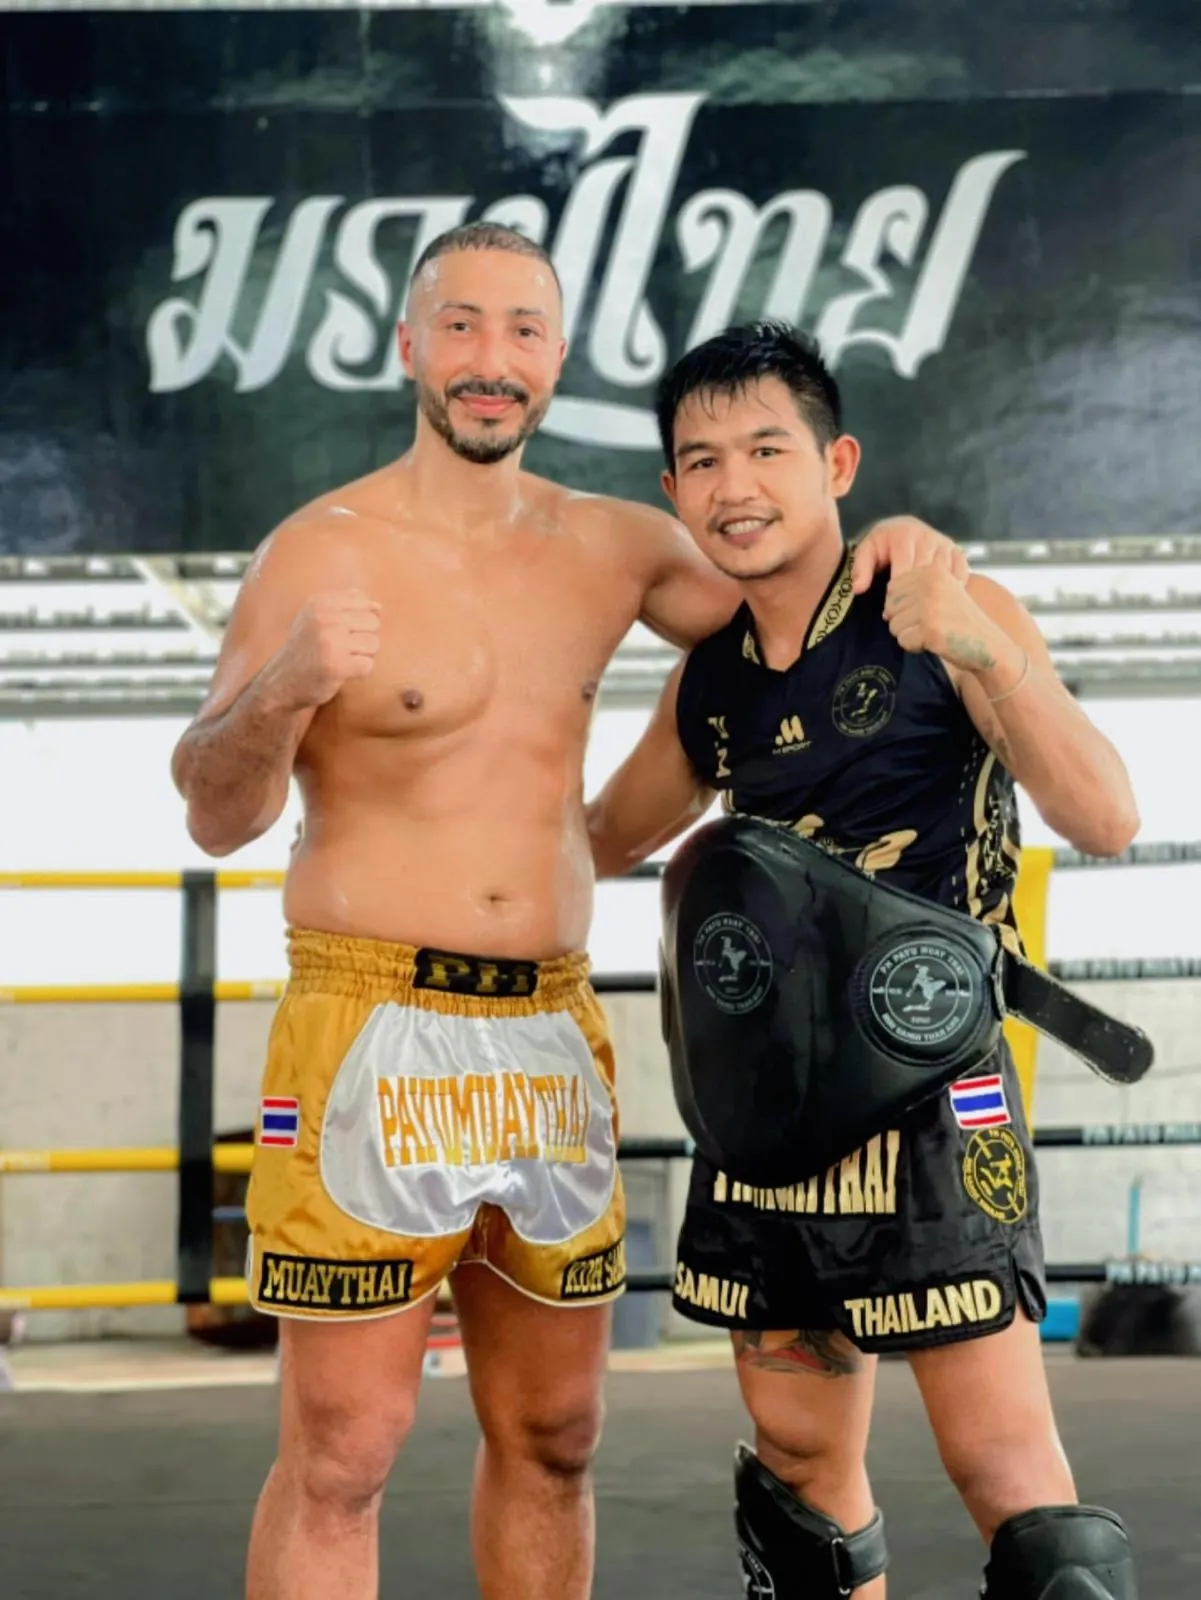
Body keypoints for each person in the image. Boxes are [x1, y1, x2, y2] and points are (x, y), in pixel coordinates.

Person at [170, 224, 969, 1600]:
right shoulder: (318, 550)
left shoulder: (616, 546)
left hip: (548, 1030)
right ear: (411, 346)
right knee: (343, 1450)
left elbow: (793, 604)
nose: (492, 361)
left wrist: (905, 550)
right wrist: (286, 684)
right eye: (463, 327)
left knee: (554, 1434)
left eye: (524, 331)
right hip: (368, 1019)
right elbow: (214, 808)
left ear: (556, 358)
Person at [584, 321, 1142, 1599]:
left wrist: (975, 640)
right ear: (672, 494)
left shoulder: (944, 608)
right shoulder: (712, 679)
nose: (735, 485)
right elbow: (601, 837)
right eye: (702, 460)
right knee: (795, 1478)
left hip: (936, 1099)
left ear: (834, 461)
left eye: (766, 448)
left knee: (1011, 1483)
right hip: (770, 1110)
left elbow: (1105, 815)